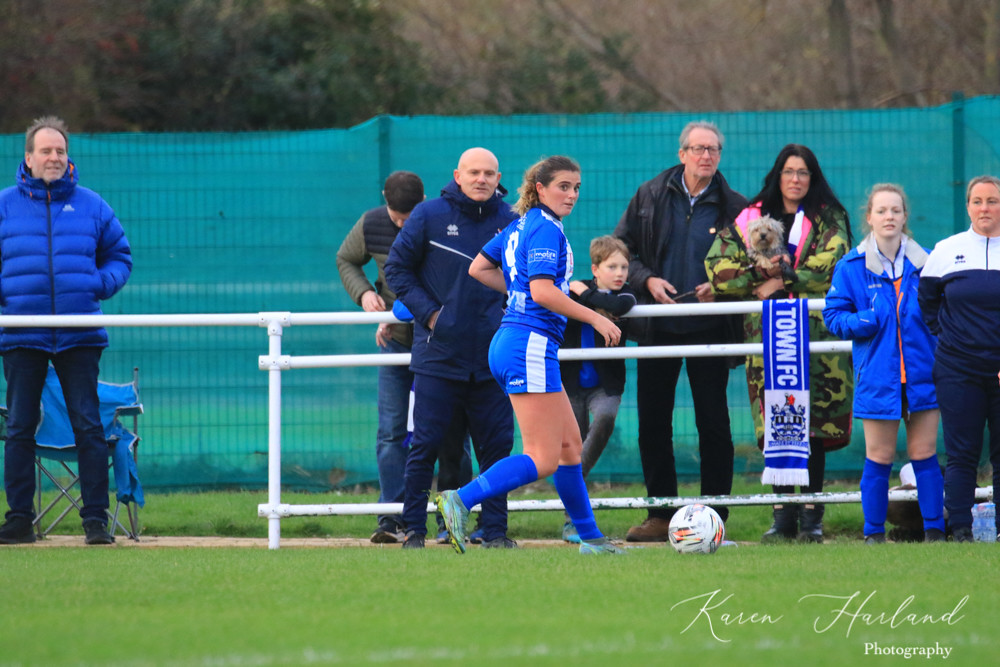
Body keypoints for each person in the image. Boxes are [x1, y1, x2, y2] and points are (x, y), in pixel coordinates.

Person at [438, 155, 625, 555]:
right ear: (539, 188)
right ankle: (460, 500)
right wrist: (596, 316)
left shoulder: (522, 225)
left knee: (569, 448)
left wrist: (518, 293)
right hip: (528, 346)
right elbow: (541, 291)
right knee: (541, 458)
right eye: (563, 186)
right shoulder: (543, 228)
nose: (572, 194)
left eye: (576, 187)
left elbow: (479, 268)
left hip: (519, 342)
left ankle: (590, 540)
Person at [705, 143, 854, 543]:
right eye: (789, 171)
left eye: (803, 172)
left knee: (814, 429)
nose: (795, 179)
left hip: (816, 338)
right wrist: (762, 274)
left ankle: (812, 518)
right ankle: (782, 517)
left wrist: (783, 279)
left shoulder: (829, 216)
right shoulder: (751, 216)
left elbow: (832, 266)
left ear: (813, 176)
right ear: (778, 174)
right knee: (778, 422)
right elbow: (718, 267)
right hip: (768, 338)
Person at [0, 116, 132, 545]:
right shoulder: (5, 205)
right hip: (22, 334)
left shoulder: (93, 205)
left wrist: (98, 284)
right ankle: (20, 520)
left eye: (60, 151)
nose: (54, 157)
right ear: (28, 157)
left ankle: (95, 520)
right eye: (46, 151)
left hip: (79, 335)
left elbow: (120, 258)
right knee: (19, 427)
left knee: (89, 426)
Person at [613, 120, 747, 542]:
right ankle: (659, 513)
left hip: (711, 328)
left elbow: (751, 265)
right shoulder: (649, 195)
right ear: (682, 153)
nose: (705, 156)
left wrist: (723, 287)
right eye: (698, 148)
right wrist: (647, 280)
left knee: (714, 424)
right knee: (653, 422)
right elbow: (621, 249)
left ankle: (714, 515)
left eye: (713, 150)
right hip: (658, 327)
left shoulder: (737, 206)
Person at [384, 147, 518, 549]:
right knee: (424, 447)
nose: (482, 179)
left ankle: (494, 532)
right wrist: (430, 316)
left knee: (496, 450)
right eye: (474, 172)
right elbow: (396, 269)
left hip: (494, 359)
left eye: (489, 173)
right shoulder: (428, 215)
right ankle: (414, 531)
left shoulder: (513, 221)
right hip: (438, 357)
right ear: (457, 175)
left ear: (498, 178)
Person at [335, 171, 472, 544]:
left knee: (453, 434)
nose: (402, 224)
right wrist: (365, 294)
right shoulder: (371, 222)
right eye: (396, 217)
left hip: (441, 343)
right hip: (396, 343)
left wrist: (408, 312)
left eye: (409, 217)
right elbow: (347, 259)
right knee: (392, 432)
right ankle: (391, 517)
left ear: (425, 200)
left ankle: (451, 518)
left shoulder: (443, 222)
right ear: (385, 201)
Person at [824, 183, 945, 543]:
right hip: (878, 376)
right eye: (881, 211)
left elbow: (947, 312)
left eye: (895, 210)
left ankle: (936, 532)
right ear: (869, 218)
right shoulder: (851, 266)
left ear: (905, 216)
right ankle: (873, 535)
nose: (889, 216)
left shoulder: (928, 263)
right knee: (879, 456)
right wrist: (860, 322)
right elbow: (833, 315)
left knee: (925, 454)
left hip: (924, 375)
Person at [918, 174, 1000, 543]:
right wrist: (952, 341)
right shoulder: (946, 249)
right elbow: (928, 301)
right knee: (962, 454)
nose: (985, 208)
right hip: (957, 370)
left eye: (993, 201)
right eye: (978, 201)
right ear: (967, 206)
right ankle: (961, 529)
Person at [559, 235, 636, 542]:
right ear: (595, 268)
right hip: (572, 384)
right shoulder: (572, 291)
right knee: (571, 447)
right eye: (612, 266)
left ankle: (575, 477)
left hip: (606, 385)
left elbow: (616, 305)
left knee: (604, 419)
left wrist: (585, 291)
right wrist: (578, 291)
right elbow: (558, 301)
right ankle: (571, 522)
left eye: (624, 267)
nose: (620, 273)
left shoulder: (626, 296)